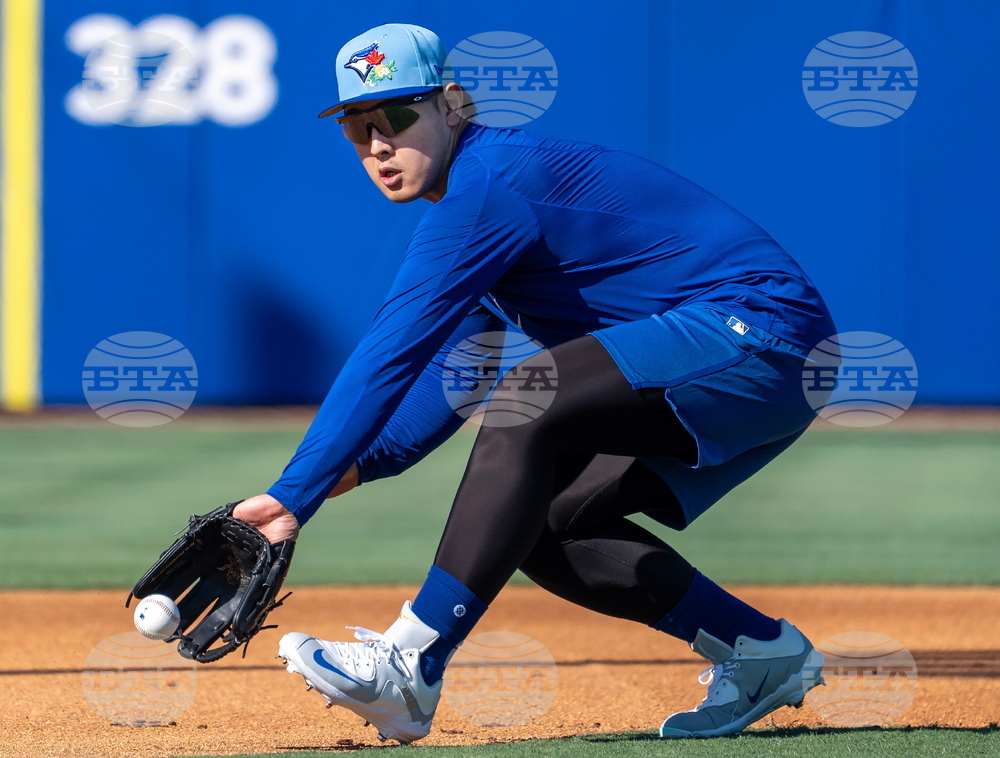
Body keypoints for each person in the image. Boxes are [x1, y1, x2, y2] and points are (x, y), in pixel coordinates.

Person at [233, 23, 833, 744]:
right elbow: (447, 384)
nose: (377, 145)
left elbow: (385, 355)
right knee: (539, 526)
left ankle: (410, 661)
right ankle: (758, 651)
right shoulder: (480, 214)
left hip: (762, 330)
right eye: (358, 129)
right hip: (743, 357)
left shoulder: (488, 186)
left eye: (395, 117)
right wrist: (349, 469)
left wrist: (294, 493)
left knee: (531, 395)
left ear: (453, 105)